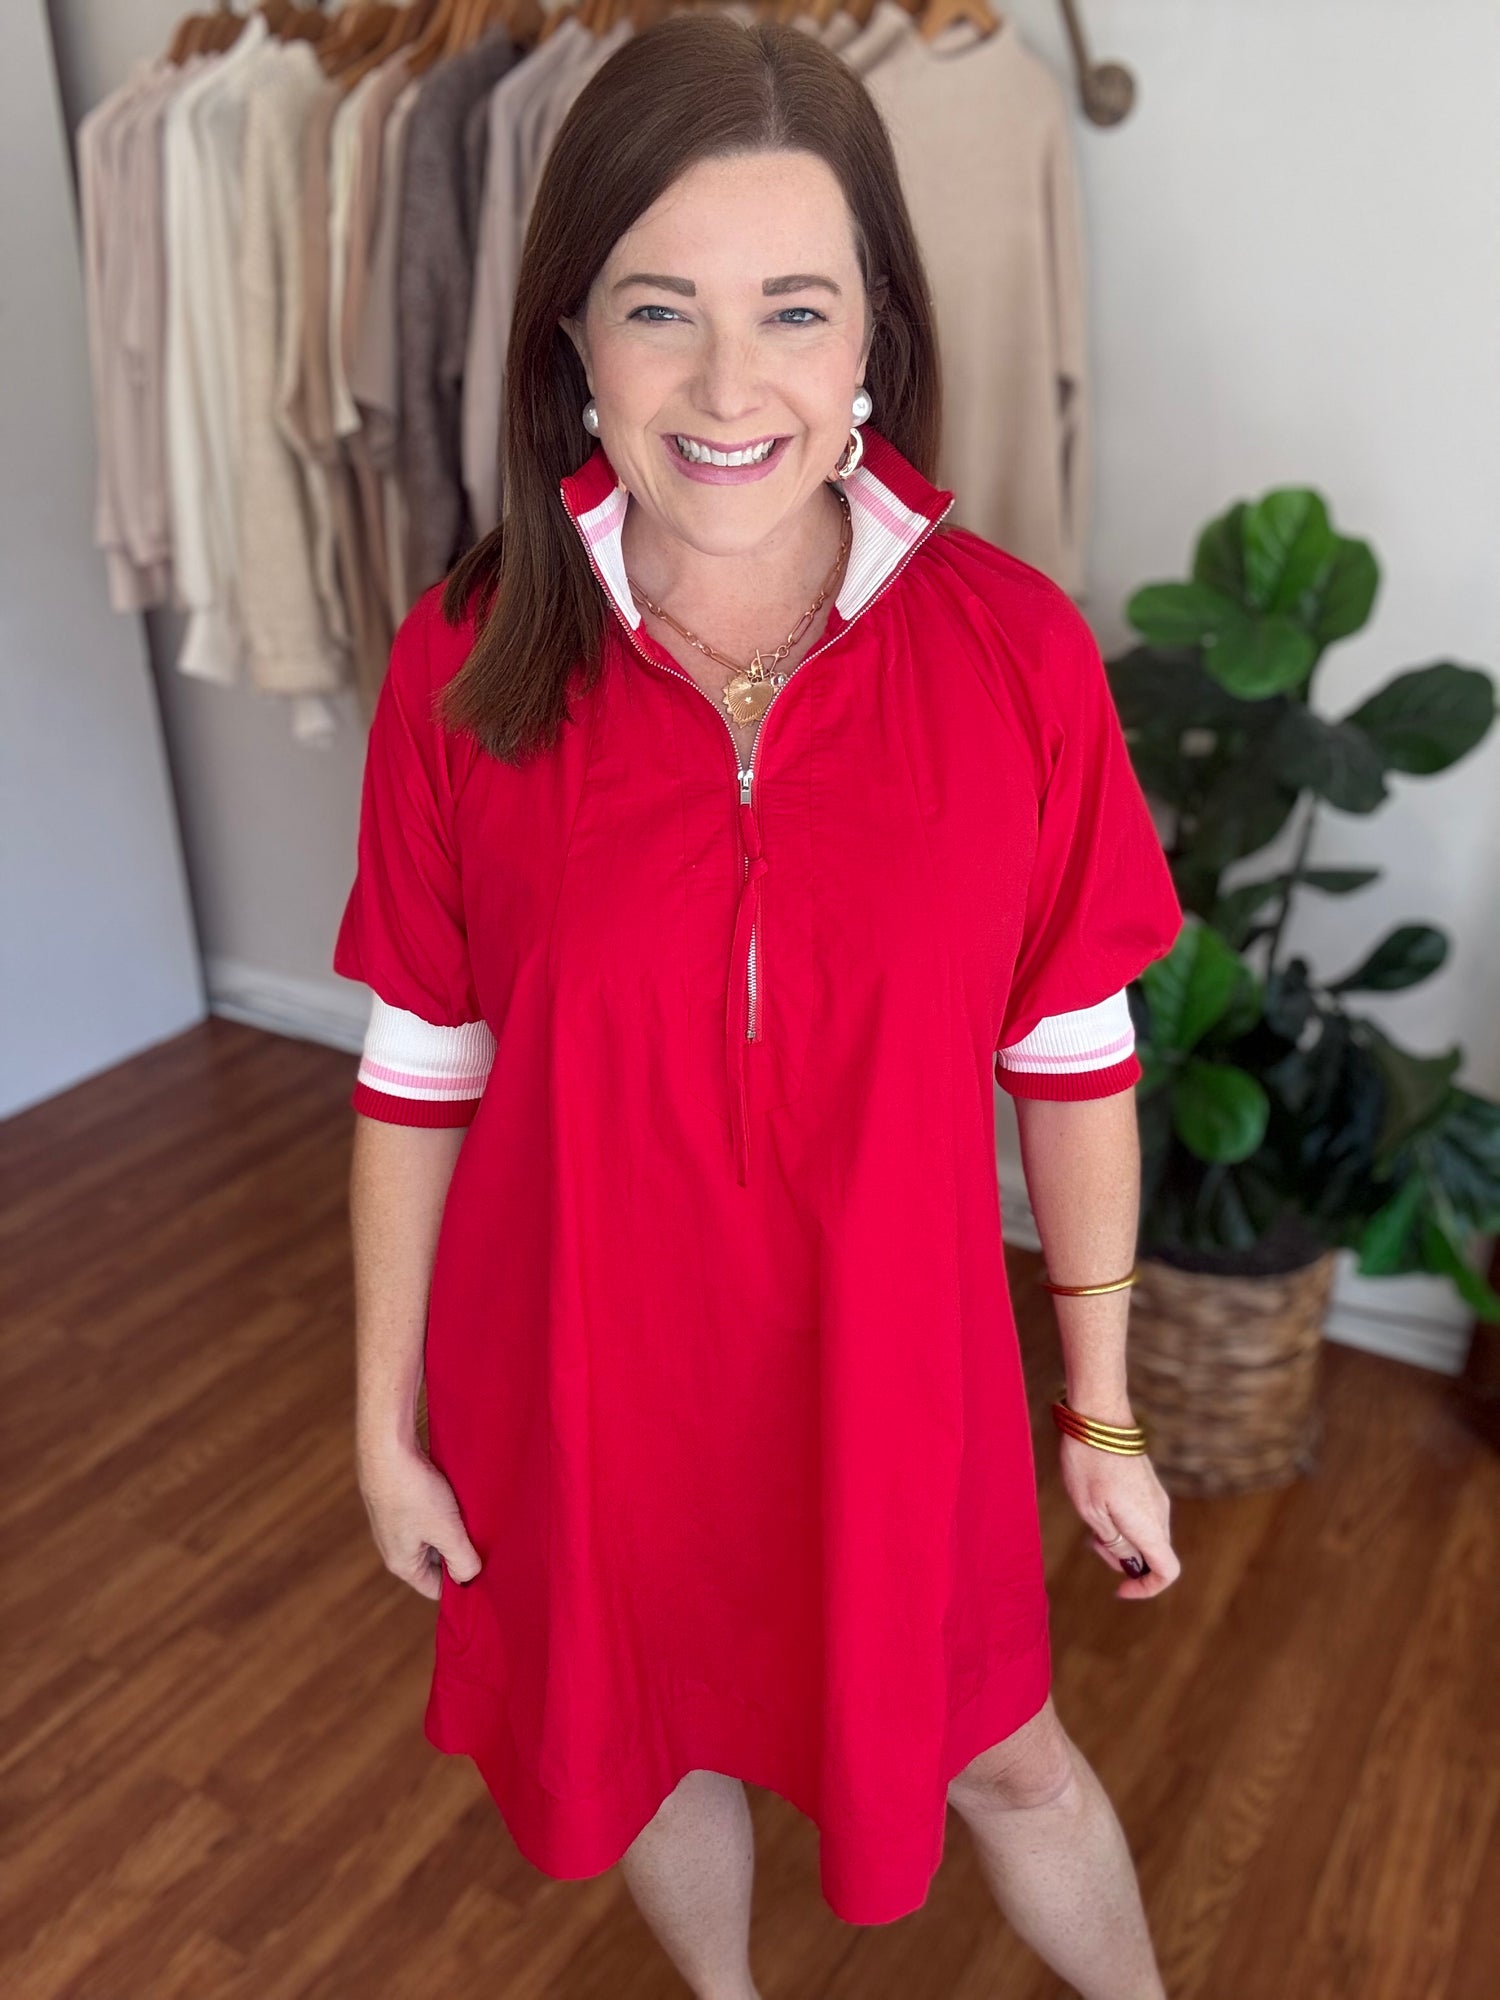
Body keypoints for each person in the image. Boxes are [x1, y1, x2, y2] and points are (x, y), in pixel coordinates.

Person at [334, 16, 1184, 2000]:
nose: (730, 387)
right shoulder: (464, 658)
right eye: (661, 310)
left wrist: (1103, 1412)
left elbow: (1074, 1057)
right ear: (573, 336)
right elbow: (420, 1065)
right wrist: (383, 1426)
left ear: (875, 329)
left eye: (794, 309)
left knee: (1006, 1760)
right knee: (651, 1744)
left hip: (893, 1383)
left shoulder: (1016, 658)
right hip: (577, 1383)